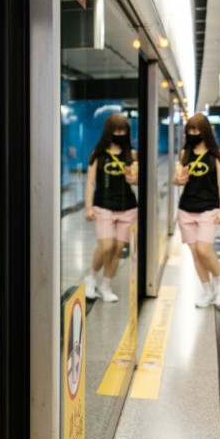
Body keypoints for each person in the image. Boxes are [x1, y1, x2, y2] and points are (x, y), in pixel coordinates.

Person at [172, 113, 220, 308]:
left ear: (205, 131)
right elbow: (177, 179)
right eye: (190, 130)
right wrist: (178, 180)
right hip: (186, 209)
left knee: (205, 250)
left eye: (196, 129)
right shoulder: (184, 154)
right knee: (196, 253)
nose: (193, 133)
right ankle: (207, 290)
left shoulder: (217, 155)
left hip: (209, 208)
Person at [84, 113, 138, 302]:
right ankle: (91, 278)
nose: (119, 134)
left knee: (117, 249)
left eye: (123, 130)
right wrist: (88, 207)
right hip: (103, 205)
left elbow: (138, 179)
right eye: (116, 130)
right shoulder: (98, 154)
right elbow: (90, 182)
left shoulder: (131, 154)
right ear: (109, 132)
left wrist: (135, 179)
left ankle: (105, 285)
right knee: (106, 246)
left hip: (128, 207)